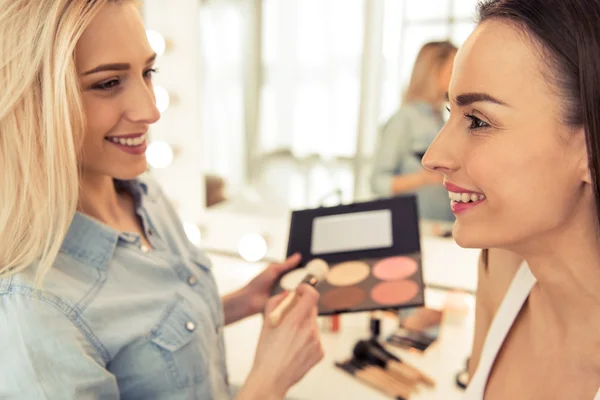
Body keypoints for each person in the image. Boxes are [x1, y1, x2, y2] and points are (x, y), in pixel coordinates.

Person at [0, 1, 323, 399]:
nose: (151, 109)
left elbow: (143, 345)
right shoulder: (32, 309)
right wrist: (269, 382)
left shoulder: (142, 194)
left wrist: (242, 302)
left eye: (147, 72)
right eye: (107, 83)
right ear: (31, 104)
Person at [422, 0, 600, 398]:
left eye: (478, 121)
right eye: (451, 112)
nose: (433, 158)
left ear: (590, 149)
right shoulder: (500, 266)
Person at [371, 40, 457, 222]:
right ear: (433, 71)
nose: (459, 76)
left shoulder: (442, 119)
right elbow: (378, 182)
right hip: (416, 227)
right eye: (453, 69)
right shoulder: (404, 119)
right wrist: (425, 178)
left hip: (444, 227)